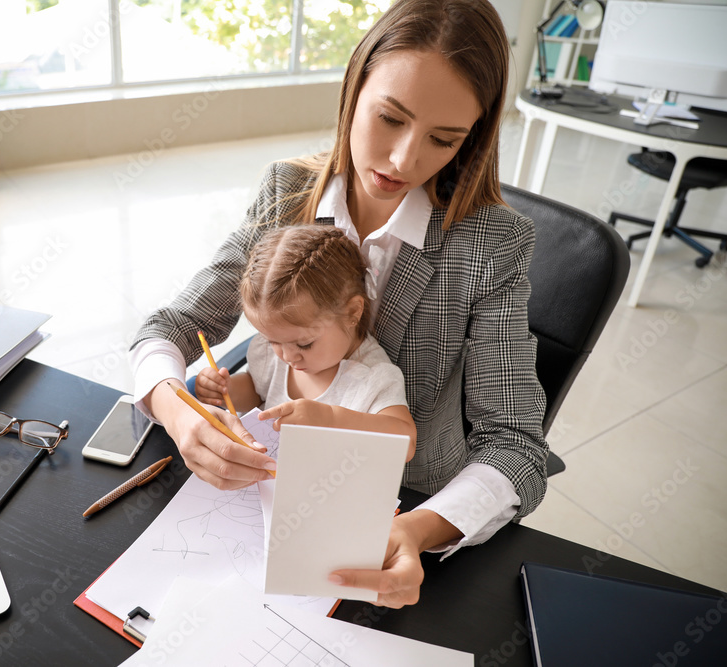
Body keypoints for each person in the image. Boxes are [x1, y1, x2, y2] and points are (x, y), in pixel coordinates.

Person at [130, 0, 548, 609]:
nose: (405, 161)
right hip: (264, 497)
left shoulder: (491, 247)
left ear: (472, 139)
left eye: (443, 139)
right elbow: (169, 328)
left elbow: (517, 447)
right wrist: (179, 414)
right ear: (354, 91)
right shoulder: (286, 191)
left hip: (404, 509)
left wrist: (416, 528)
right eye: (390, 119)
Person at [194, 225, 416, 461]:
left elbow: (407, 444)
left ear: (353, 312)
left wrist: (331, 419)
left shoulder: (372, 377)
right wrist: (225, 389)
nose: (288, 357)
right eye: (273, 341)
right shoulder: (272, 354)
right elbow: (259, 391)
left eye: (304, 344)